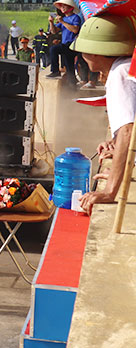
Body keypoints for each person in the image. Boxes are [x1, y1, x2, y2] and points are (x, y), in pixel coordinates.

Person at [72, 16, 136, 213]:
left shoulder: (120, 74)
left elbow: (128, 131)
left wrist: (109, 191)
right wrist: (117, 150)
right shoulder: (126, 67)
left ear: (95, 52)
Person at [47, 0, 83, 83]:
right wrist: (51, 22)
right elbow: (54, 31)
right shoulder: (64, 19)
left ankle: (55, 71)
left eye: (64, 6)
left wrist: (62, 22)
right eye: (61, 6)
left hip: (71, 44)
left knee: (54, 49)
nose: (62, 8)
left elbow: (75, 30)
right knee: (69, 66)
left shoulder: (75, 17)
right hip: (65, 45)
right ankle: (72, 83)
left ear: (70, 8)